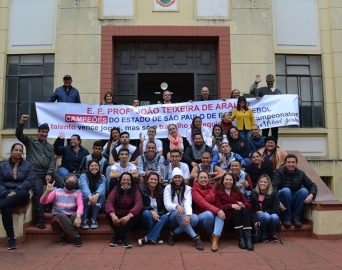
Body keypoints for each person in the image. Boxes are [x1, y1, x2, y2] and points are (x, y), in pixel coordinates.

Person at [16, 114, 63, 229]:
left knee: (62, 183)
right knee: (37, 193)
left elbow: (52, 160)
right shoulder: (30, 142)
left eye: (46, 132)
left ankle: (56, 210)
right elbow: (19, 134)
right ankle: (40, 219)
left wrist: (48, 173)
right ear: (38, 132)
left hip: (48, 172)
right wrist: (21, 122)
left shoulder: (49, 146)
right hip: (35, 172)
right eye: (42, 131)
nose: (44, 134)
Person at [0, 143, 34, 250]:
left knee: (24, 193)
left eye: (20, 151)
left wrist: (17, 191)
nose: (18, 152)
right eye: (16, 150)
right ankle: (11, 238)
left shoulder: (28, 166)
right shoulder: (2, 166)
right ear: (11, 151)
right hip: (5, 193)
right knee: (6, 208)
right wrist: (5, 193)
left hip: (20, 194)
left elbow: (29, 181)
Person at [272, 154, 317, 228]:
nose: (291, 164)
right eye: (289, 162)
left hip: (295, 199)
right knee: (286, 190)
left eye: (293, 162)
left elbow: (312, 185)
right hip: (283, 200)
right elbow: (273, 188)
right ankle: (287, 218)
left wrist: (311, 194)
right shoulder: (279, 172)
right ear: (285, 163)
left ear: (296, 163)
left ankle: (296, 218)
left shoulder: (301, 173)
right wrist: (277, 202)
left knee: (304, 191)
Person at [163, 168, 203, 250]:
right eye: (175, 177)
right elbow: (167, 205)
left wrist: (188, 216)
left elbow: (188, 203)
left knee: (195, 218)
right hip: (173, 216)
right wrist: (177, 206)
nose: (177, 179)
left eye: (179, 177)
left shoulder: (188, 188)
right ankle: (195, 237)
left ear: (182, 178)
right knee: (179, 212)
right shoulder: (168, 187)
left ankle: (173, 233)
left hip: (184, 216)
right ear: (172, 178)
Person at [40, 174, 83, 247]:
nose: (71, 183)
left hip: (71, 220)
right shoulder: (56, 191)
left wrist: (78, 217)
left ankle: (64, 236)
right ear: (64, 182)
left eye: (73, 182)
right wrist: (47, 191)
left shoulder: (77, 193)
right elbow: (43, 202)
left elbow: (80, 205)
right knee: (62, 215)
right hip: (57, 222)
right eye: (69, 181)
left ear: (76, 184)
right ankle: (76, 236)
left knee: (76, 215)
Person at [215, 173, 253, 251]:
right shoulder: (218, 192)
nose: (228, 182)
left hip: (241, 218)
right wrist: (230, 205)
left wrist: (243, 205)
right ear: (222, 181)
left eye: (230, 180)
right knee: (235, 209)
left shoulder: (237, 191)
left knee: (244, 208)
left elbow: (249, 205)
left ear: (233, 181)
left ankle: (248, 238)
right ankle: (241, 238)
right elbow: (218, 207)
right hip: (228, 220)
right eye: (226, 179)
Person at [105, 172, 143, 248]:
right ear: (120, 181)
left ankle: (116, 237)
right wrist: (112, 214)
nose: (126, 182)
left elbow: (139, 204)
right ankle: (124, 238)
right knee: (108, 215)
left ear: (131, 181)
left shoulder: (135, 189)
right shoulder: (116, 189)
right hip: (118, 215)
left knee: (137, 215)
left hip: (130, 216)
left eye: (128, 180)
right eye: (124, 180)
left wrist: (129, 215)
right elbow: (109, 202)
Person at [192, 171, 225, 252]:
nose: (203, 180)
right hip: (200, 216)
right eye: (201, 178)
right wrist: (217, 211)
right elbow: (203, 204)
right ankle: (209, 233)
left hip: (212, 213)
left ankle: (215, 239)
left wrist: (219, 210)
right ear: (198, 179)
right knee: (210, 214)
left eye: (205, 177)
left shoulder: (212, 187)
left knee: (220, 212)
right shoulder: (194, 190)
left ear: (208, 179)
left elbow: (217, 202)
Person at [138, 172, 169, 246]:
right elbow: (140, 205)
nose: (153, 181)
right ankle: (157, 235)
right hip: (147, 217)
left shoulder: (162, 190)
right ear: (147, 180)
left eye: (155, 179)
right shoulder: (141, 190)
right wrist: (151, 211)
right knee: (146, 212)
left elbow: (165, 206)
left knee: (166, 217)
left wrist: (158, 214)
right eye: (151, 179)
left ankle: (147, 238)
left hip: (159, 216)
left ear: (158, 181)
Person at [250, 74, 282, 142]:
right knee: (265, 133)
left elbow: (283, 100)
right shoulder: (261, 90)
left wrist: (296, 98)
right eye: (268, 81)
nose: (270, 82)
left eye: (271, 81)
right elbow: (252, 91)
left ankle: (274, 147)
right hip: (265, 116)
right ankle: (264, 146)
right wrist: (256, 83)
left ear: (273, 80)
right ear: (266, 81)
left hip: (275, 116)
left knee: (275, 133)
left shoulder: (278, 91)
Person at [250, 174, 280, 242]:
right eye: (261, 181)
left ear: (268, 183)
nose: (262, 183)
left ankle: (271, 234)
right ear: (258, 183)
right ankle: (263, 234)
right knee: (266, 216)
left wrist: (263, 211)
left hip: (268, 213)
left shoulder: (273, 193)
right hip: (259, 216)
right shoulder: (254, 193)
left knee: (275, 217)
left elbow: (276, 210)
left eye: (265, 182)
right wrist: (255, 221)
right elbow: (251, 210)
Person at [79, 160, 106, 230]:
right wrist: (90, 196)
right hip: (86, 201)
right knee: (84, 195)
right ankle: (84, 219)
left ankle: (93, 219)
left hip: (97, 204)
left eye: (96, 166)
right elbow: (84, 187)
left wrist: (96, 195)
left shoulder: (102, 177)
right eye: (92, 166)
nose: (94, 167)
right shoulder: (83, 176)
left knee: (100, 195)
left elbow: (102, 187)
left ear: (99, 167)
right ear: (88, 168)